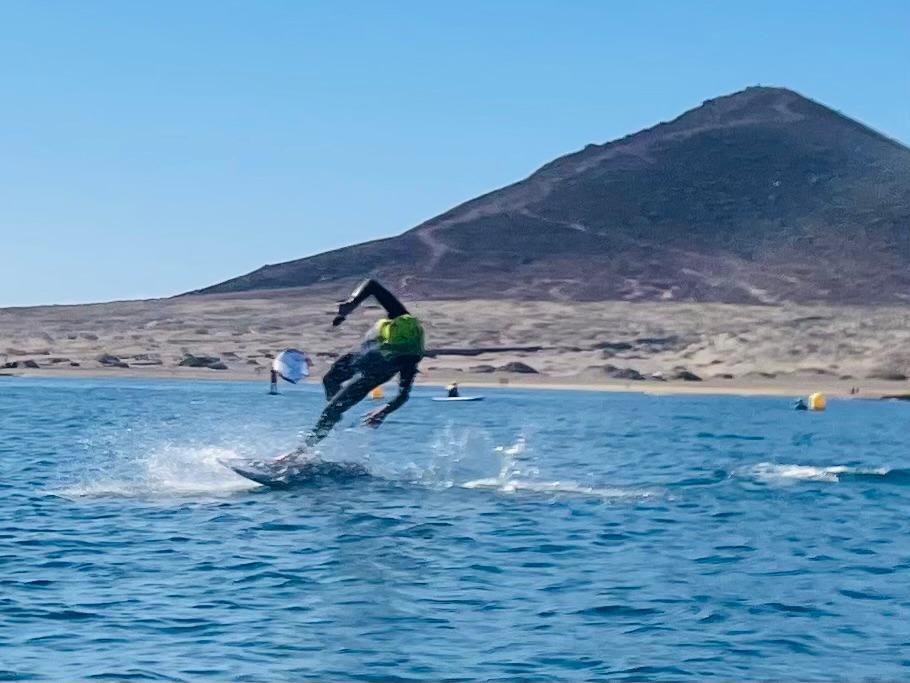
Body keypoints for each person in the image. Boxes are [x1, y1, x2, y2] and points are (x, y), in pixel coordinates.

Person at [298, 279, 425, 450]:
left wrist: (385, 409)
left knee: (332, 408)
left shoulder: (409, 360)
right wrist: (351, 304)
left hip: (373, 374)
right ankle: (334, 414)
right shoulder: (402, 317)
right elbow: (372, 284)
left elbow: (403, 395)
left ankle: (303, 450)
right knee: (330, 380)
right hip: (362, 355)